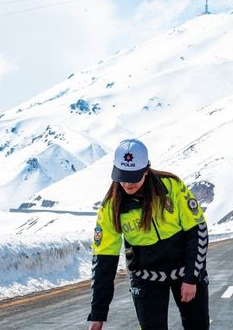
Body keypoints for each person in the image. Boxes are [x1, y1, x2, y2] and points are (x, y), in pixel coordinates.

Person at [87, 139, 209, 330]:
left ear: (146, 169)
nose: (127, 184)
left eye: (133, 177)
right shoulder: (111, 207)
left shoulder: (172, 186)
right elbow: (103, 260)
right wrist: (97, 315)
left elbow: (198, 231)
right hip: (145, 277)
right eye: (122, 176)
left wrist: (191, 278)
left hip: (185, 270)